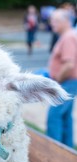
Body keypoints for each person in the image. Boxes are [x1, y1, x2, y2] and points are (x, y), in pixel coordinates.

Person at [47, 9, 77, 148]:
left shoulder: (68, 37)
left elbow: (69, 64)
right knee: (65, 117)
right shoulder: (67, 35)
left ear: (66, 21)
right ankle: (67, 149)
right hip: (68, 81)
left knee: (55, 116)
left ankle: (54, 151)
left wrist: (57, 79)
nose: (52, 23)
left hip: (66, 81)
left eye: (56, 20)